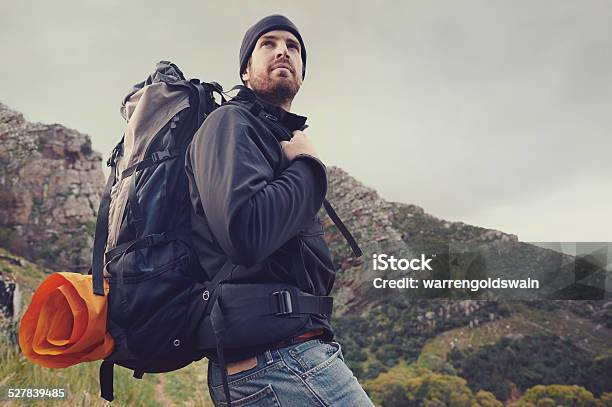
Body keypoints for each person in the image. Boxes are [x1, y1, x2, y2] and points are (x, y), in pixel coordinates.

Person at [185, 14, 373, 406]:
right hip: (277, 361)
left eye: (293, 46)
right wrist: (307, 165)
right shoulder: (230, 123)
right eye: (267, 44)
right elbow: (247, 234)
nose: (283, 50)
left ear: (302, 69)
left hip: (279, 357)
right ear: (246, 69)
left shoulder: (267, 135)